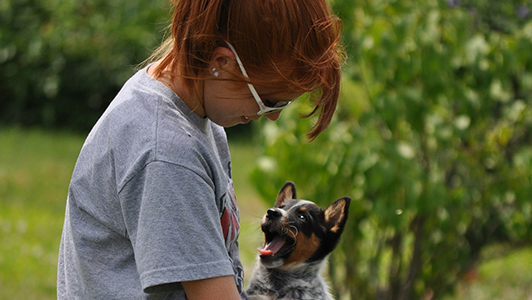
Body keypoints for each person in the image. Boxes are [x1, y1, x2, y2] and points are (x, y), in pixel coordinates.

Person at [57, 0, 344, 299]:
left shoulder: (193, 112)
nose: (273, 116)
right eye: (269, 100)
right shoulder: (167, 154)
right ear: (222, 63)